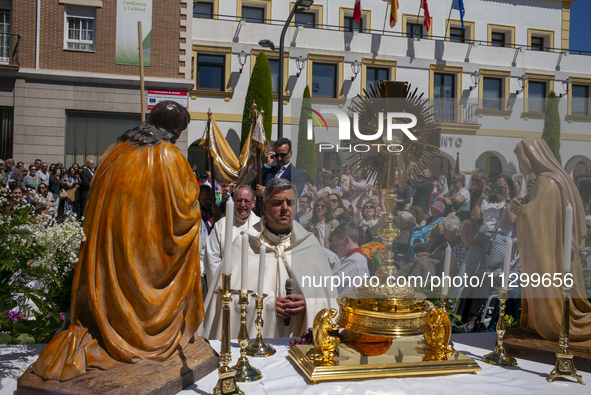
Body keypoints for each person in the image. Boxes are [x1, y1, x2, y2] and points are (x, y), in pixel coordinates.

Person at [32, 101, 204, 381]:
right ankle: (142, 337)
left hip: (108, 250)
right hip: (144, 250)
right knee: (142, 298)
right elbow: (185, 212)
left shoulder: (113, 150)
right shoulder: (168, 155)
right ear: (173, 132)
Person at [200, 178, 338, 340]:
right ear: (264, 207)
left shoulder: (309, 245)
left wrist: (309, 303)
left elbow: (329, 300)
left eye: (290, 203)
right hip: (255, 347)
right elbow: (225, 301)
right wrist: (267, 305)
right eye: (278, 202)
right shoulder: (244, 243)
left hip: (300, 346)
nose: (285, 208)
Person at [510, 137, 591, 345]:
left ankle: (554, 322)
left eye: (521, 159)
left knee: (557, 309)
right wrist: (527, 203)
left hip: (553, 259)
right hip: (561, 253)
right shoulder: (559, 178)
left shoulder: (547, 181)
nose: (520, 164)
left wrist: (519, 210)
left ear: (532, 156)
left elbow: (534, 220)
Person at [203, 185, 259, 282]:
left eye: (247, 201)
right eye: (239, 200)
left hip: (253, 282)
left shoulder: (260, 226)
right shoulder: (221, 225)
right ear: (232, 201)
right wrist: (223, 284)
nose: (242, 205)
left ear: (253, 203)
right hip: (226, 285)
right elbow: (212, 258)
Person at [330, 223, 369, 296]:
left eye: (336, 244)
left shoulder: (354, 261)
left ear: (346, 240)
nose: (335, 249)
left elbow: (332, 281)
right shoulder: (357, 258)